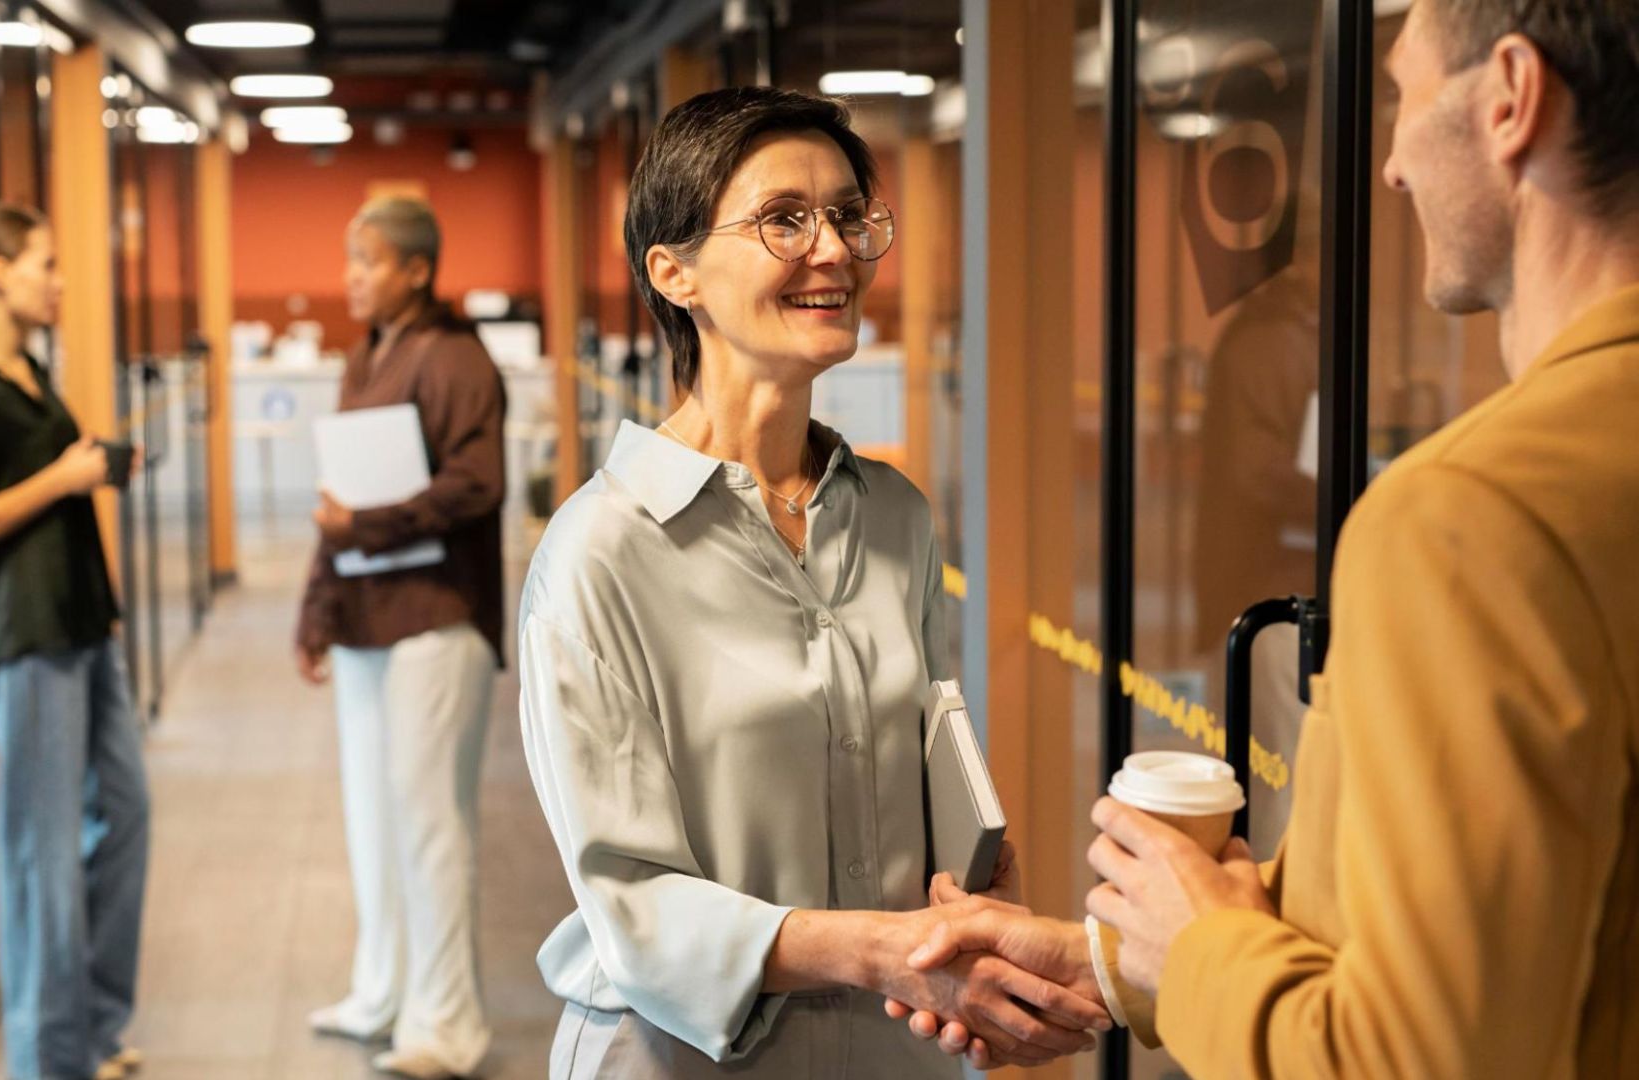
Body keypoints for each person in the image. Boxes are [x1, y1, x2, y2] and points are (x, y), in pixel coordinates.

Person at [897, 1, 1639, 1073]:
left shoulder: (1472, 519)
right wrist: (1114, 965)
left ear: (1512, 98)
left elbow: (1415, 1057)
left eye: (1403, 96)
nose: (1390, 165)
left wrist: (1200, 949)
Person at [516, 86, 1111, 1078]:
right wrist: (887, 951)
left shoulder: (894, 517)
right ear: (675, 271)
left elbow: (924, 776)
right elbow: (633, 909)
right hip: (678, 1056)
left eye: (847, 215)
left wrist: (972, 904)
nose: (832, 251)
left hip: (895, 1045)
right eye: (784, 220)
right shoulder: (599, 555)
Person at [0, 203, 148, 1080]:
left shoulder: (27, 369)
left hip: (83, 621)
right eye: (44, 264)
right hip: (26, 636)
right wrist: (63, 476)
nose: (58, 281)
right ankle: (46, 1057)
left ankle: (91, 1026)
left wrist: (83, 470)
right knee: (41, 854)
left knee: (126, 814)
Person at [294, 196, 506, 1080]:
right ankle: (381, 991)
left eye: (369, 261)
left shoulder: (455, 359)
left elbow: (478, 484)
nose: (352, 277)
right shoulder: (366, 356)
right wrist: (317, 610)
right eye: (349, 259)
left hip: (435, 621)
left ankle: (447, 1026)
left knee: (429, 825)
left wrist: (367, 525)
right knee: (371, 816)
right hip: (366, 621)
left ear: (418, 271)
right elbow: (335, 506)